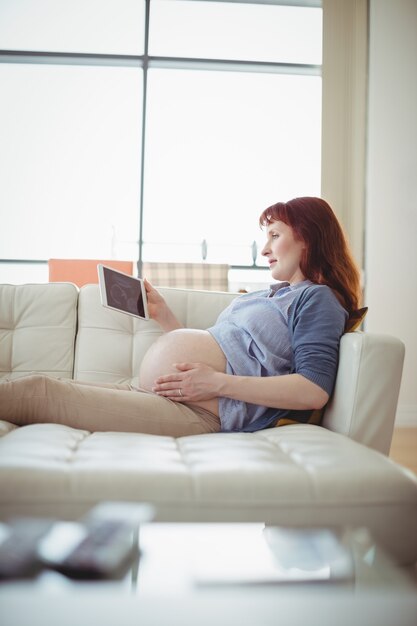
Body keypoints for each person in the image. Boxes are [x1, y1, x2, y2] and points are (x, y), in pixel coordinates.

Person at [0, 197, 361, 437]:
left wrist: (217, 384)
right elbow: (217, 350)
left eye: (274, 235)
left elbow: (313, 390)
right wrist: (163, 315)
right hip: (163, 392)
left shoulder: (317, 300)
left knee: (38, 392)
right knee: (39, 382)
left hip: (202, 413)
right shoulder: (270, 296)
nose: (265, 249)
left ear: (308, 239)